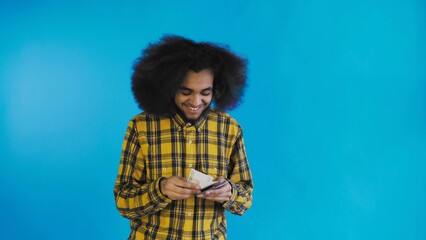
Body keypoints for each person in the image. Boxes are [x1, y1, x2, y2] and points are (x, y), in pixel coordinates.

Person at [114, 35, 253, 240]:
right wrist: (160, 190)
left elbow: (245, 199)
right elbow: (123, 202)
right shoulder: (141, 127)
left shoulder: (229, 129)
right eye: (186, 91)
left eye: (205, 92)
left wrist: (230, 193)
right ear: (168, 87)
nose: (196, 101)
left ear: (218, 89)